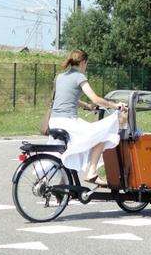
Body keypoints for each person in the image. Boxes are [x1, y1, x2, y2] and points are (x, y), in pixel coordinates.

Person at [47, 49, 126, 187]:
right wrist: (115, 106)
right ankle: (91, 172)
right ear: (83, 62)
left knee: (75, 146)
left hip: (54, 121)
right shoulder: (79, 77)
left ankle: (64, 183)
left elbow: (67, 99)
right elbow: (95, 98)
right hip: (68, 122)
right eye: (86, 64)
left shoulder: (60, 77)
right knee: (103, 134)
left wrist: (87, 106)